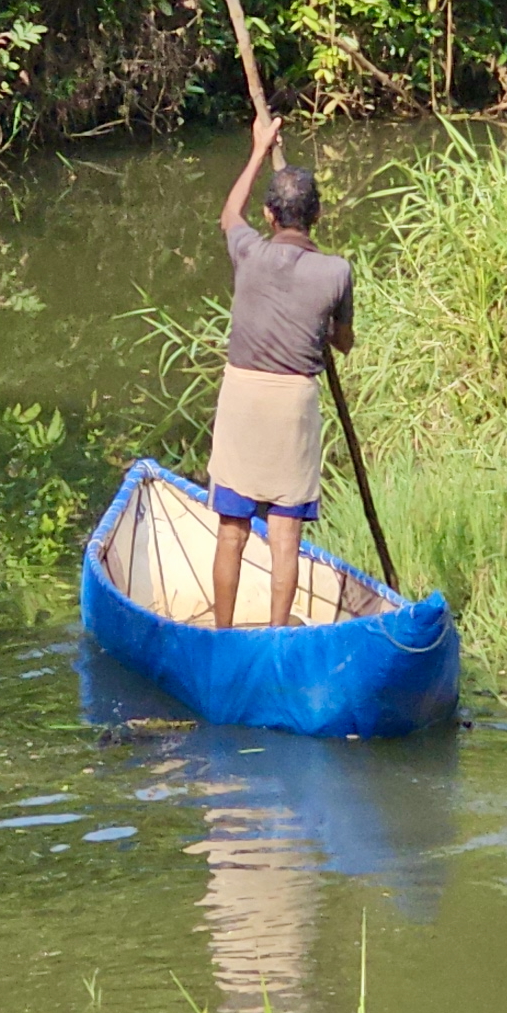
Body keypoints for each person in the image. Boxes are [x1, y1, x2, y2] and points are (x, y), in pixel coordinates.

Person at [205, 108, 353, 629]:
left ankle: (221, 635)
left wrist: (257, 150)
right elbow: (345, 342)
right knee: (286, 535)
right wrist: (327, 327)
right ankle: (276, 636)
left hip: (243, 395)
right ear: (316, 218)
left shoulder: (248, 252)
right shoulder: (336, 272)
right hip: (294, 402)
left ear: (270, 216)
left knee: (232, 530)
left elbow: (228, 215)